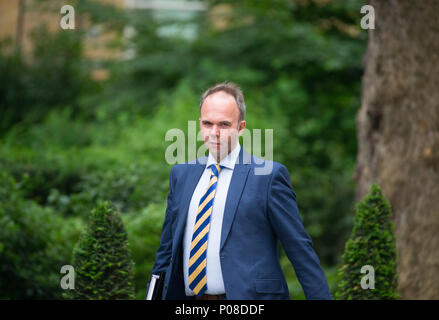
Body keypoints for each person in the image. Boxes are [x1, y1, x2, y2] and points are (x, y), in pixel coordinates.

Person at [146, 82, 332, 300]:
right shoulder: (181, 175)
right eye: (207, 123)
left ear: (241, 127)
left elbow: (299, 250)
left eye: (224, 125)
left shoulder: (268, 177)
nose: (214, 133)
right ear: (199, 124)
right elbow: (166, 251)